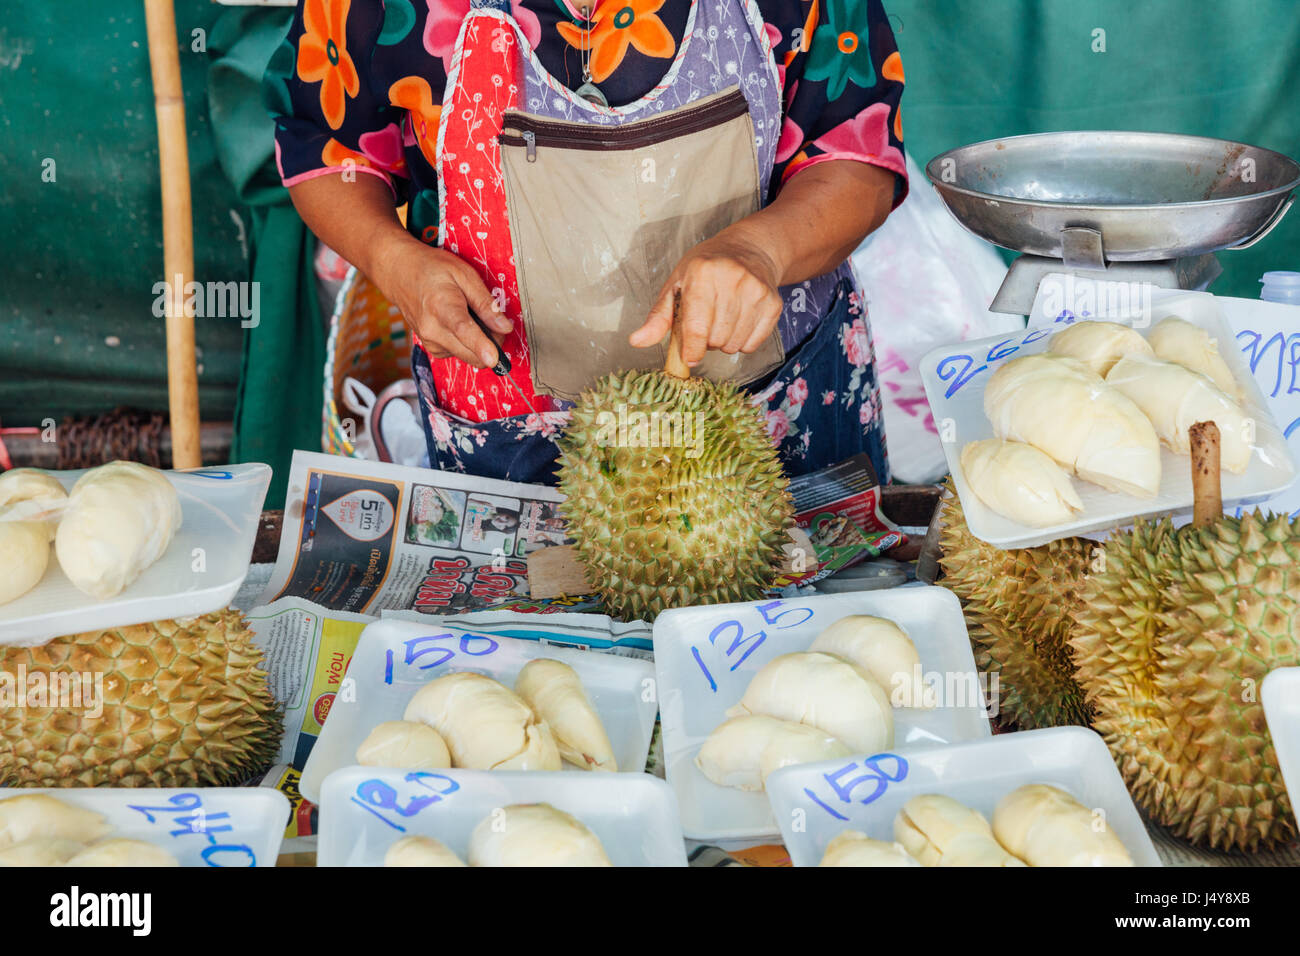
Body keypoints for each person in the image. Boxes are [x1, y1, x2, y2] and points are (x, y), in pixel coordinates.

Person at [272, 0, 906, 484]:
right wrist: (394, 259)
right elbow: (328, 147)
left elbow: (857, 150)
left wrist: (763, 251)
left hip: (773, 420)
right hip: (512, 440)